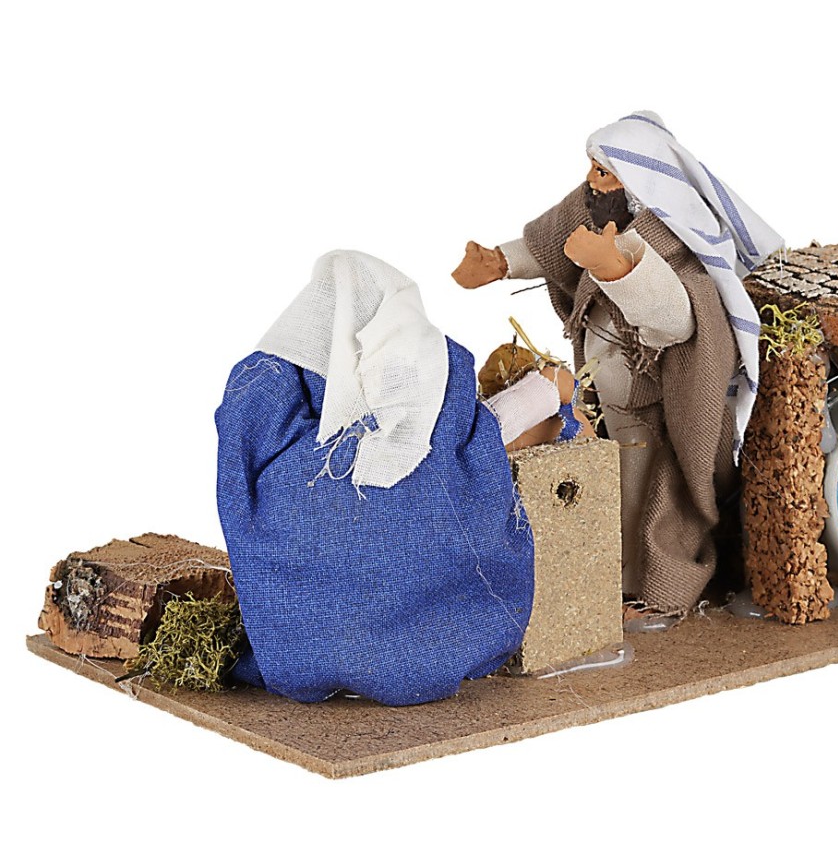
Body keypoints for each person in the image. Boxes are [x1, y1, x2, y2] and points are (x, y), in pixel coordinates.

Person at [215, 250, 586, 705]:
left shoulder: (268, 383)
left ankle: (315, 648)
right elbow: (481, 432)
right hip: (431, 622)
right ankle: (425, 646)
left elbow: (242, 464)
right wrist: (548, 388)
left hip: (296, 645)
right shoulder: (423, 374)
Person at [453, 111, 784, 614]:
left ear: (638, 181)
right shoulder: (594, 211)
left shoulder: (674, 241)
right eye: (591, 167)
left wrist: (616, 267)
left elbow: (679, 320)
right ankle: (589, 575)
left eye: (604, 172)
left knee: (637, 498)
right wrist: (501, 262)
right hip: (599, 394)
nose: (592, 181)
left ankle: (643, 589)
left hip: (648, 402)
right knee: (595, 490)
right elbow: (552, 245)